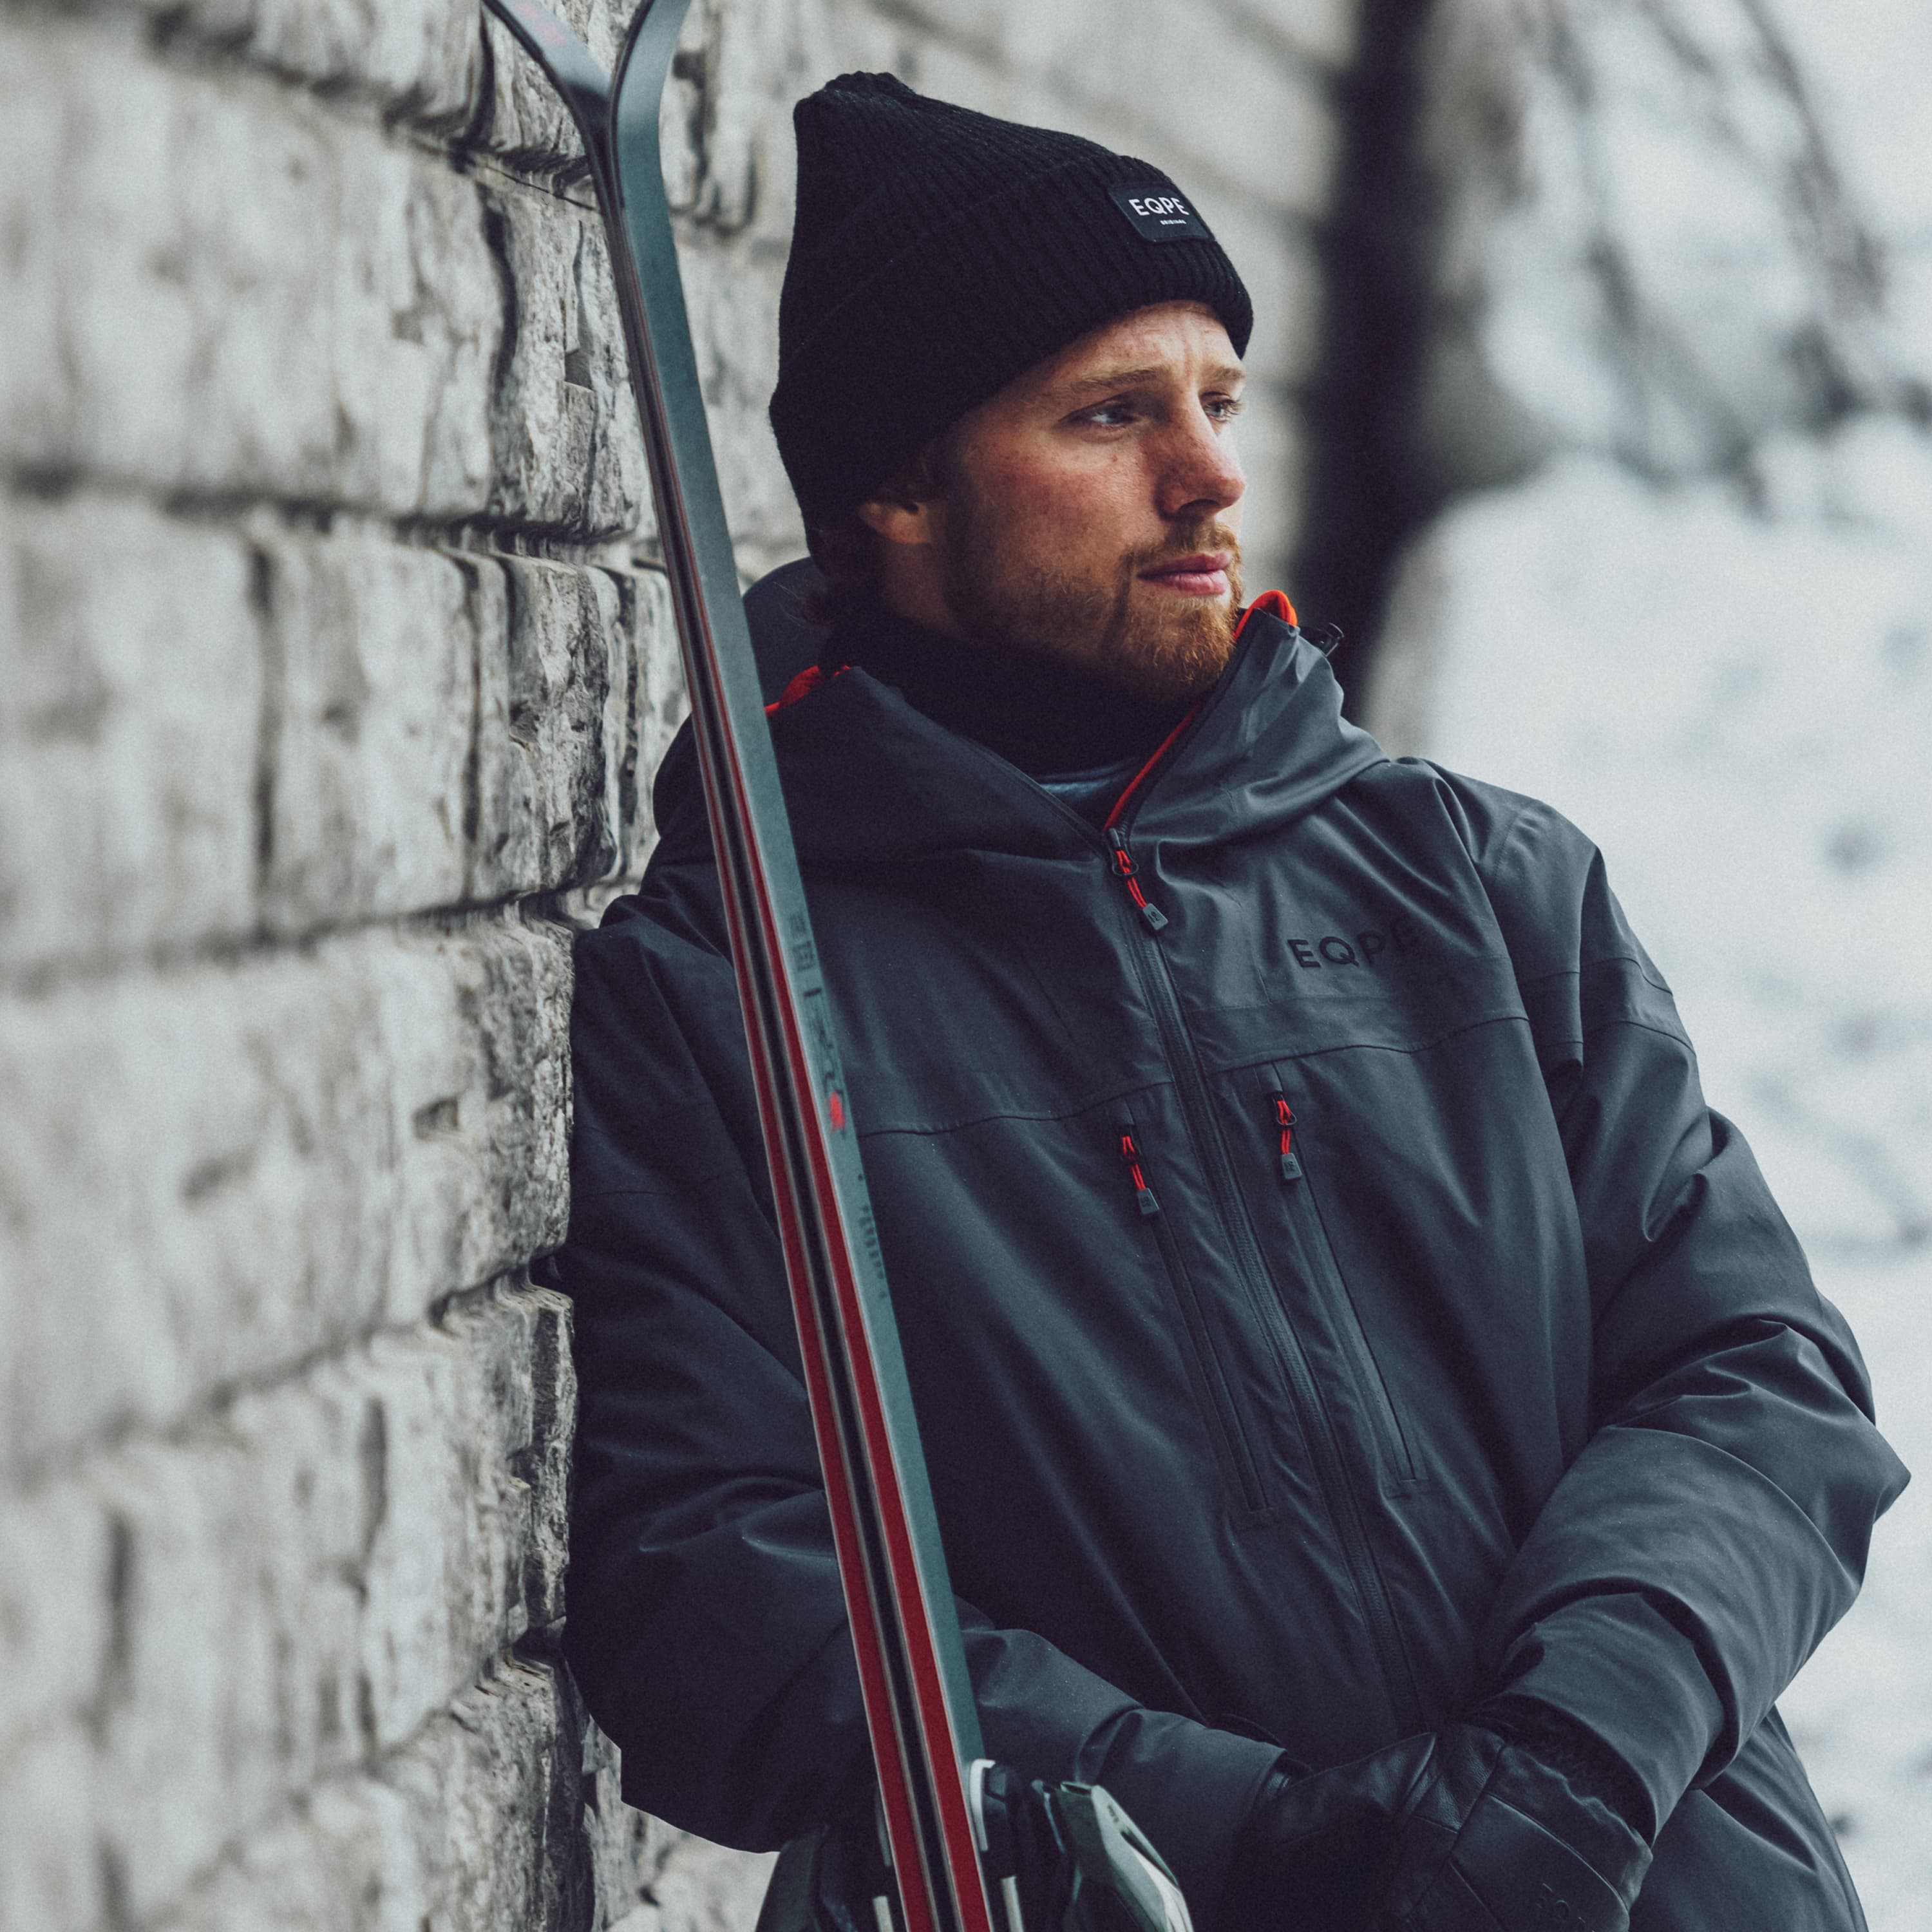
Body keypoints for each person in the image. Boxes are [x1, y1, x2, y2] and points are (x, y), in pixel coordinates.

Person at [553, 73, 1908, 1932]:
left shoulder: (1480, 885)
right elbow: (724, 1584)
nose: (1210, 478)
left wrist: (1575, 1767)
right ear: (898, 491)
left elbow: (1758, 1374)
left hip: (1652, 1883)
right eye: (1113, 415)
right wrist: (1270, 1837)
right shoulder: (737, 1002)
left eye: (1216, 402)